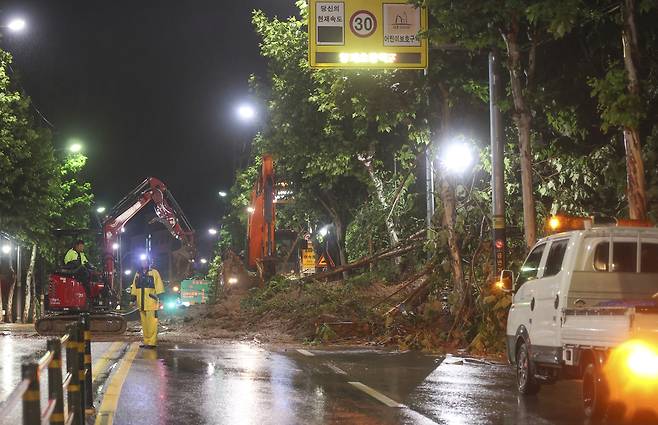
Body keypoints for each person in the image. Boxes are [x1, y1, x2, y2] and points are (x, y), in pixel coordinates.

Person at [130, 257, 164, 349]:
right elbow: (134, 287)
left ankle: (152, 342)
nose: (143, 263)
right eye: (142, 261)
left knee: (152, 323)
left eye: (145, 261)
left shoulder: (154, 272)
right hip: (141, 303)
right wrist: (132, 299)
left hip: (151, 302)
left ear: (149, 262)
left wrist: (161, 299)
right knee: (144, 324)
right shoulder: (138, 274)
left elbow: (159, 286)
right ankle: (146, 341)